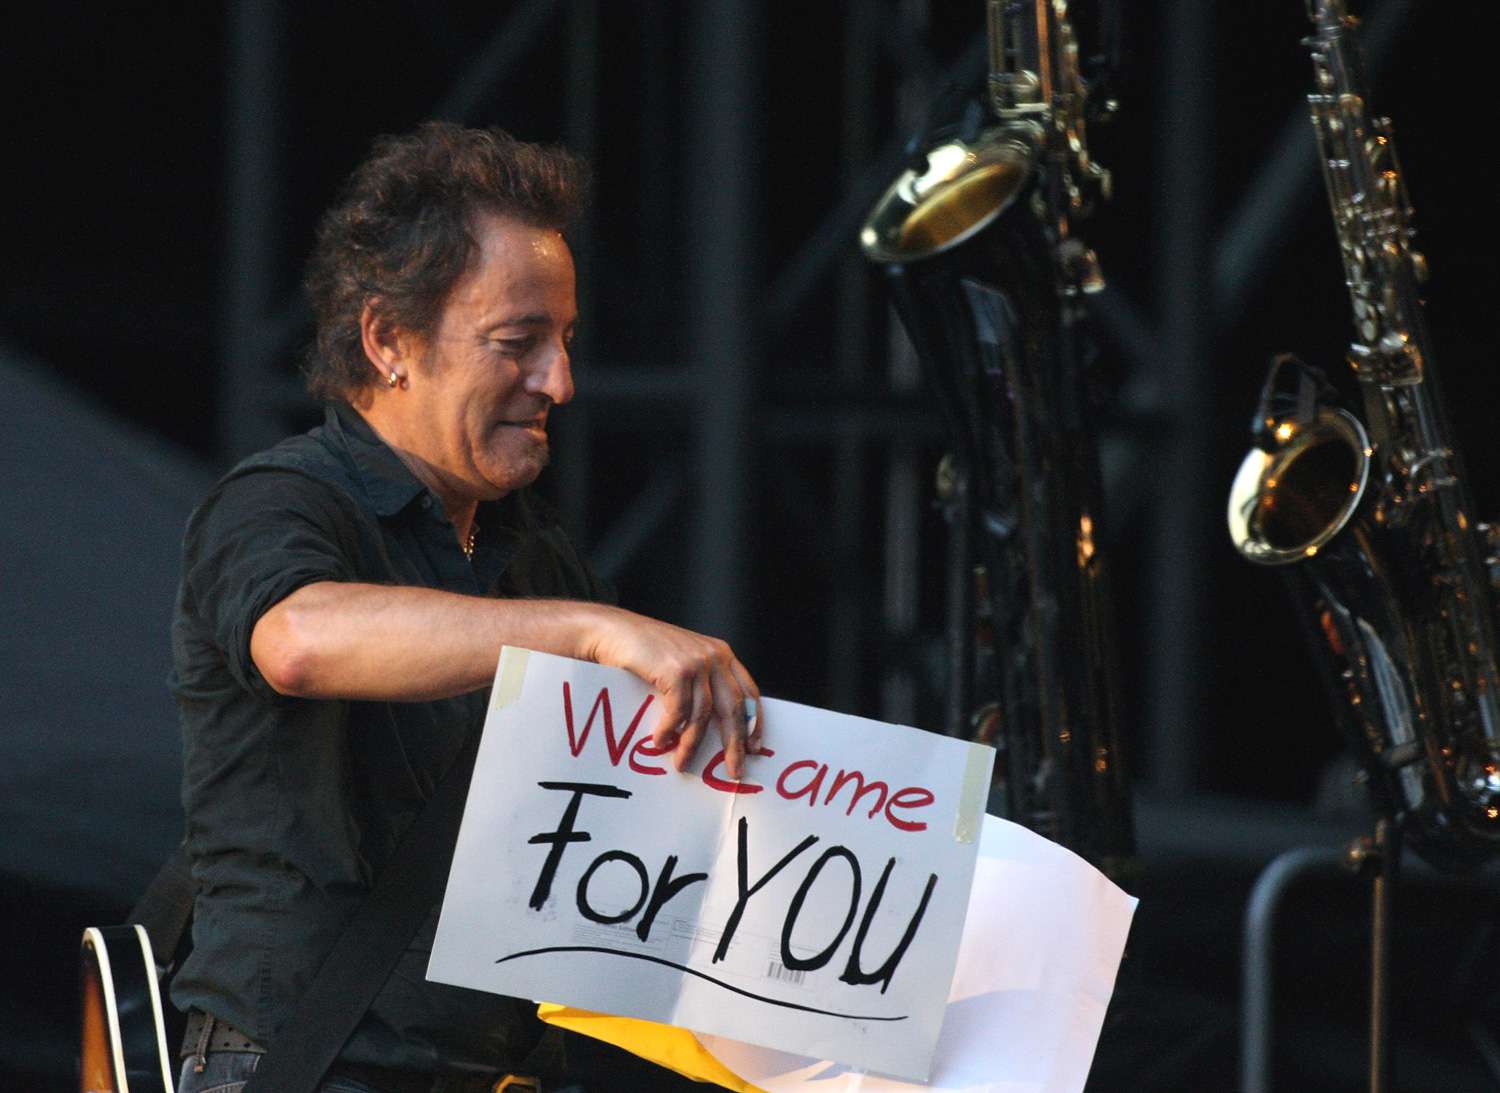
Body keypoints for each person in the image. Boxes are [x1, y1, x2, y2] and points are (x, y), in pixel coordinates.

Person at [169, 121, 760, 1093]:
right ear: (388, 341)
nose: (559, 383)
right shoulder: (282, 500)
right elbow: (300, 640)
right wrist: (589, 631)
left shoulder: (536, 550)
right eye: (517, 343)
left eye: (565, 342)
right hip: (310, 1069)